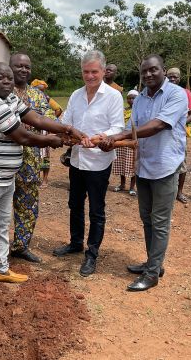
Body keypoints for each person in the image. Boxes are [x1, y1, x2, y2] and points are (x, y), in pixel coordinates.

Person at [0, 62, 85, 300]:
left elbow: (34, 118)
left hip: (5, 176)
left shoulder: (9, 98)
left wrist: (66, 127)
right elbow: (23, 136)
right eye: (0, 78)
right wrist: (54, 141)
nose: (6, 81)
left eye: (8, 78)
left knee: (1, 226)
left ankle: (0, 269)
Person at [98, 54, 188, 292]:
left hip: (166, 167)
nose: (148, 74)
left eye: (153, 70)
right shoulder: (140, 99)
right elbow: (131, 129)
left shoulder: (176, 94)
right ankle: (153, 264)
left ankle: (152, 274)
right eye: (144, 71)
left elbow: (158, 125)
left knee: (159, 221)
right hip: (145, 166)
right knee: (147, 218)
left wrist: (116, 137)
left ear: (163, 70)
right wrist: (106, 141)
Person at [53, 50, 125, 277]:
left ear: (103, 71)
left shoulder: (113, 97)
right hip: (77, 159)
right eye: (86, 72)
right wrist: (68, 132)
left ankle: (91, 253)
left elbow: (118, 128)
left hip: (99, 162)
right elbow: (66, 122)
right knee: (74, 204)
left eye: (94, 71)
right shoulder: (75, 95)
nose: (90, 76)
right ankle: (76, 243)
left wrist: (100, 137)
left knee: (96, 209)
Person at [8, 54, 57, 263]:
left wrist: (57, 130)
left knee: (28, 206)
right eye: (18, 66)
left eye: (27, 66)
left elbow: (49, 117)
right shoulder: (0, 92)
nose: (23, 70)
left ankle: (21, 246)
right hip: (4, 160)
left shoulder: (38, 95)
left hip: (30, 161)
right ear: (10, 68)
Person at [166, 67, 191, 204]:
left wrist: (178, 123)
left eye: (175, 77)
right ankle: (166, 192)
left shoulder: (186, 93)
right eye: (170, 76)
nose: (172, 79)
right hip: (163, 133)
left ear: (180, 78)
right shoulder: (162, 92)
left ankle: (179, 192)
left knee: (181, 163)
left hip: (178, 134)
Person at [31, 78, 63, 187]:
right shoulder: (29, 98)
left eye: (42, 90)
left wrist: (49, 122)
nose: (40, 92)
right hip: (32, 131)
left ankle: (44, 179)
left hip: (44, 131)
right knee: (33, 155)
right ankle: (36, 178)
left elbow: (58, 109)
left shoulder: (47, 99)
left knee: (44, 155)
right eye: (38, 90)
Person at [113, 90, 138, 196]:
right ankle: (122, 184)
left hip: (133, 141)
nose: (131, 100)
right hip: (122, 141)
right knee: (121, 163)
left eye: (134, 98)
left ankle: (132, 187)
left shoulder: (139, 111)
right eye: (129, 98)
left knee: (133, 164)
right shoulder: (123, 111)